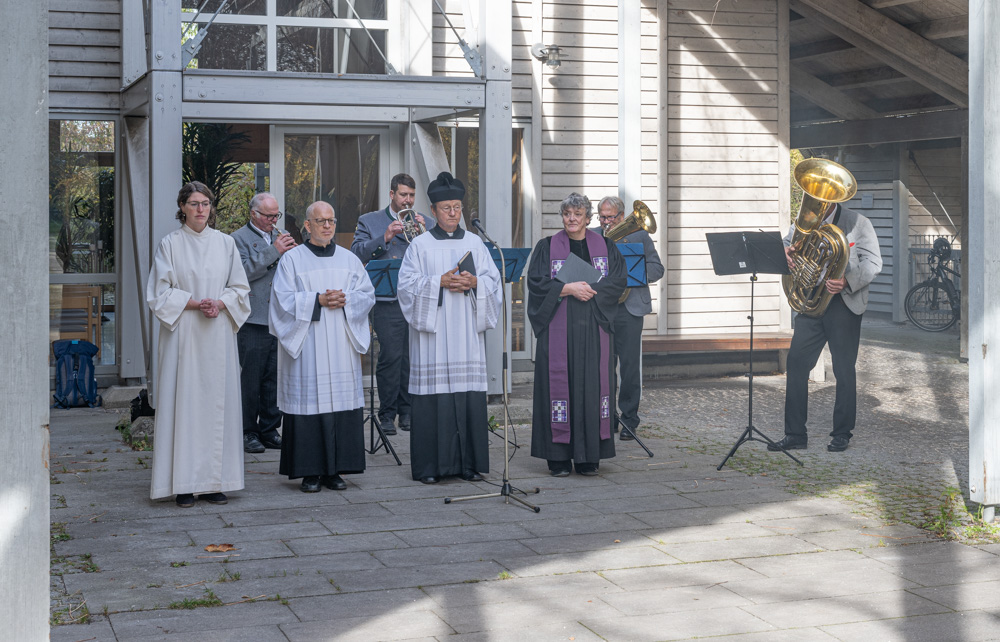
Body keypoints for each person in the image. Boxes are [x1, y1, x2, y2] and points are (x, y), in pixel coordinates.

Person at [146, 181, 251, 507]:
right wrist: (194, 304)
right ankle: (184, 485)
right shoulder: (170, 244)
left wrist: (219, 304)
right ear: (182, 207)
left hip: (217, 334)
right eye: (193, 203)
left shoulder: (225, 243)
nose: (200, 209)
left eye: (205, 203)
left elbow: (240, 289)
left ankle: (214, 482)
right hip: (184, 335)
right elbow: (159, 293)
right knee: (185, 406)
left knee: (216, 407)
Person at [397, 172, 502, 484]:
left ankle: (468, 465)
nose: (453, 213)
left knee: (467, 396)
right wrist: (438, 282)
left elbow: (493, 282)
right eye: (446, 208)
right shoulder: (420, 245)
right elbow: (406, 287)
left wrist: (475, 282)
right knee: (434, 398)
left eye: (457, 207)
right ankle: (430, 468)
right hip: (435, 336)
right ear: (433, 211)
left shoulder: (475, 243)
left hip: (466, 333)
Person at [269, 201, 375, 492]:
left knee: (340, 404)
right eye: (320, 221)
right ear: (307, 225)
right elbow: (281, 301)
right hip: (309, 345)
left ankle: (335, 471)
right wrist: (317, 300)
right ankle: (310, 472)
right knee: (309, 405)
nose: (327, 226)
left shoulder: (349, 259)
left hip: (340, 344)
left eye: (331, 220)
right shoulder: (292, 260)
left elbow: (367, 295)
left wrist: (347, 299)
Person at [768, 199, 883, 453]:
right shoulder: (806, 220)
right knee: (796, 364)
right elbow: (787, 243)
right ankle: (795, 434)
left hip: (843, 302)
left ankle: (842, 433)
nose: (819, 199)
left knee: (843, 369)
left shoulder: (859, 223)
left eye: (825, 196)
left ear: (835, 197)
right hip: (811, 300)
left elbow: (874, 263)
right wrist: (785, 252)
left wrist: (847, 281)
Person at [528, 192, 627, 476]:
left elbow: (618, 280)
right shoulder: (547, 246)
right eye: (567, 214)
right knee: (559, 388)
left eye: (577, 214)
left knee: (592, 388)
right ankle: (558, 458)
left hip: (594, 329)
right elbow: (536, 283)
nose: (571, 219)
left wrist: (589, 290)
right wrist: (567, 288)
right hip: (558, 330)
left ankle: (588, 457)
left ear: (587, 218)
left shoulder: (605, 246)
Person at [351, 174, 436, 436]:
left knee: (412, 356)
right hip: (387, 299)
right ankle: (386, 414)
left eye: (411, 195)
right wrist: (385, 237)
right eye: (403, 195)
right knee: (391, 355)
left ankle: (407, 411)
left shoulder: (428, 222)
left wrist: (428, 234)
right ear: (391, 195)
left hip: (417, 297)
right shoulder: (370, 221)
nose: (408, 200)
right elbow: (356, 253)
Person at [231, 192, 297, 454]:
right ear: (253, 214)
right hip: (253, 318)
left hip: (279, 316)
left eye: (276, 215)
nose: (273, 221)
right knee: (251, 379)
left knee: (274, 378)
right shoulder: (237, 239)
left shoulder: (281, 235)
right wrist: (274, 251)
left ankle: (270, 429)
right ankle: (248, 431)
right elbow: (241, 273)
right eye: (268, 216)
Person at [596, 196, 664, 441]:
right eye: (602, 217)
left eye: (611, 217)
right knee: (603, 366)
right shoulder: (592, 236)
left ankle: (629, 419)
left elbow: (657, 268)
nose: (606, 222)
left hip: (629, 308)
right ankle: (607, 417)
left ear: (622, 216)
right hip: (602, 308)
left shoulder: (639, 236)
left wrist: (631, 272)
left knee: (629, 367)